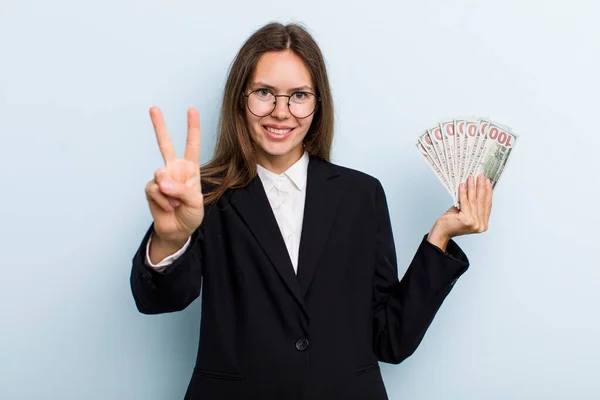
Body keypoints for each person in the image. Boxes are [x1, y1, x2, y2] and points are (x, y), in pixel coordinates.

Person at [130, 22, 492, 400]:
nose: (281, 112)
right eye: (265, 93)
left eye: (299, 95)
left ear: (318, 105)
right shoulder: (201, 194)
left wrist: (440, 238)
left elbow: (391, 340)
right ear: (241, 98)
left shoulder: (361, 195)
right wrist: (171, 238)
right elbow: (158, 300)